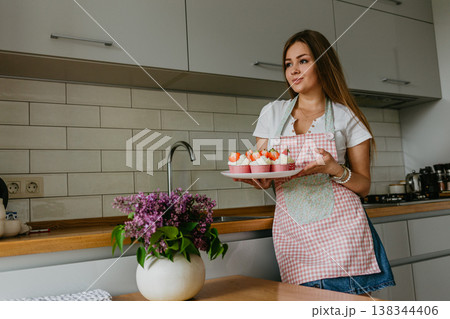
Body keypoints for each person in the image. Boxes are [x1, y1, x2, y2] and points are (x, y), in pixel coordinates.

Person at [244, 30, 395, 295]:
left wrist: (334, 169)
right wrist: (259, 179)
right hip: (294, 235)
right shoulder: (273, 113)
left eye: (303, 61)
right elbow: (264, 170)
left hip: (342, 233)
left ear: (323, 63)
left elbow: (363, 186)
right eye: (288, 64)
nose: (293, 70)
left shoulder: (346, 116)